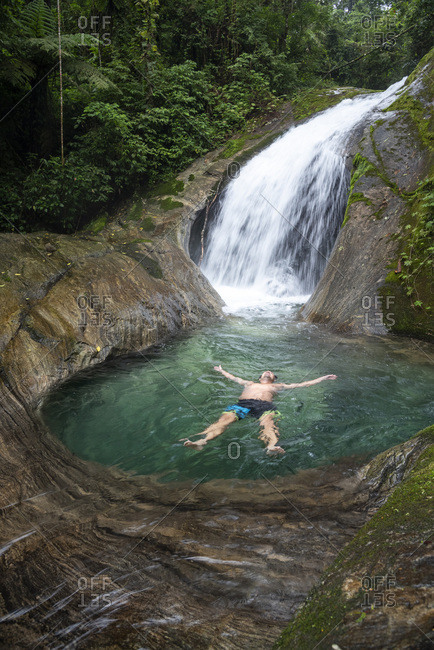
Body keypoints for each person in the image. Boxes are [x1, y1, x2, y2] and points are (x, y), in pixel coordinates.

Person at [181, 366, 337, 455]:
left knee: (268, 424)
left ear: (274, 379)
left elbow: (304, 384)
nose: (268, 372)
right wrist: (222, 371)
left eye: (271, 373)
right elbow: (233, 377)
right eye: (265, 372)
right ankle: (202, 441)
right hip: (243, 404)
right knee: (223, 420)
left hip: (264, 407)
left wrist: (323, 378)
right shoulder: (248, 383)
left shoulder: (278, 386)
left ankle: (271, 447)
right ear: (259, 377)